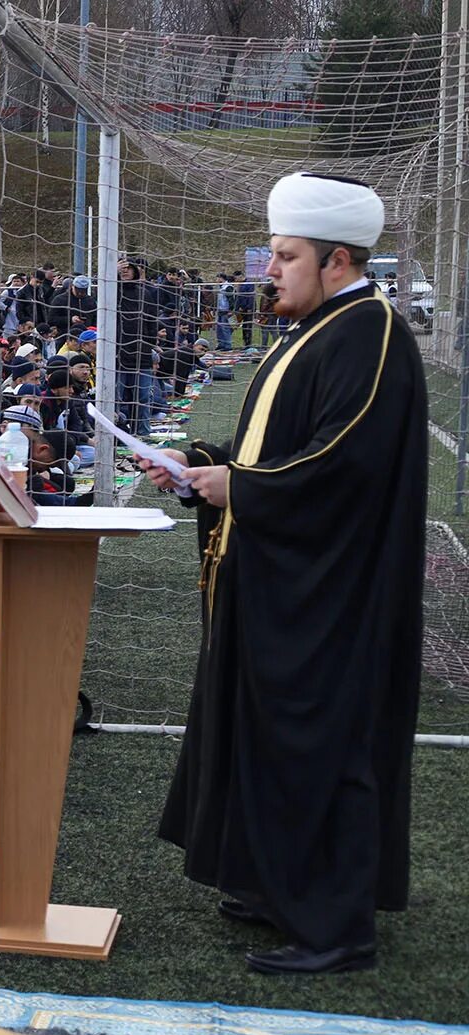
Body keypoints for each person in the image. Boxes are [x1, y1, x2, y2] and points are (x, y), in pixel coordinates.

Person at [143, 173, 427, 975]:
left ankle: (336, 928)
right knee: (269, 738)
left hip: (332, 595)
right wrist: (201, 465)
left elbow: (344, 464)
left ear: (337, 261)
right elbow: (277, 445)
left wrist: (243, 487)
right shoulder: (314, 329)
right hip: (280, 579)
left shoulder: (367, 332)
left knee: (322, 744)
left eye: (284, 256)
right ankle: (273, 886)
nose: (268, 271)